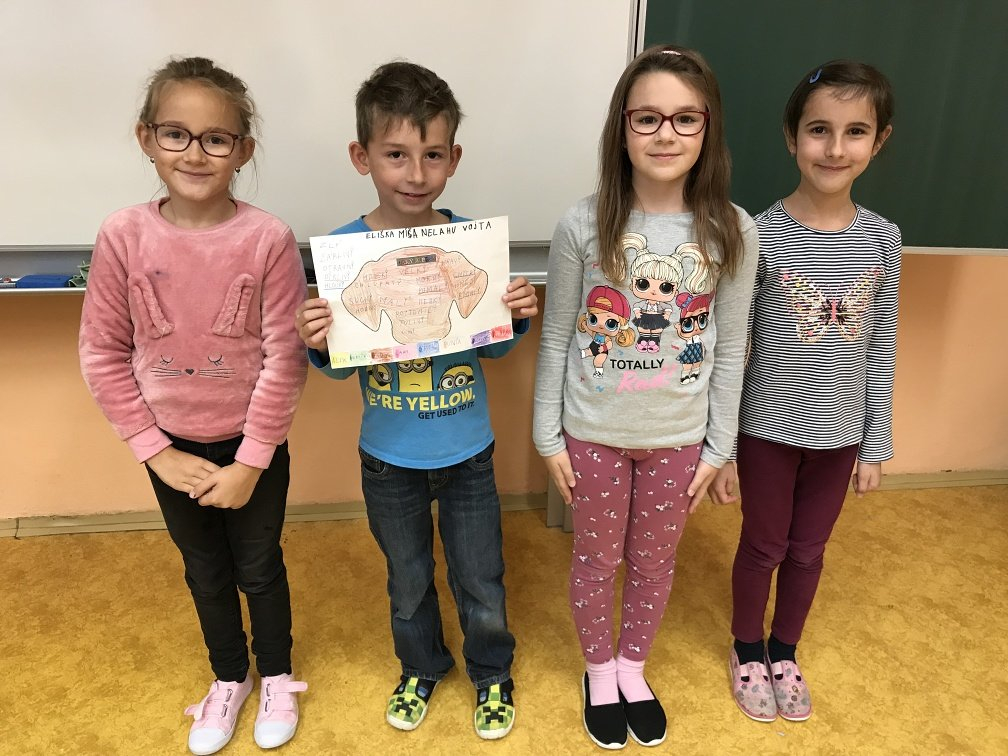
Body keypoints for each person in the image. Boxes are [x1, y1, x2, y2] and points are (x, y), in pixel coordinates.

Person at [294, 61, 538, 740]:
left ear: (454, 159)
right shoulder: (346, 254)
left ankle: (492, 672)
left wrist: (515, 315)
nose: (415, 172)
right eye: (396, 154)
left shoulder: (469, 248)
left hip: (469, 451)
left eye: (433, 155)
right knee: (407, 578)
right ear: (362, 156)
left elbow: (492, 351)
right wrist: (318, 339)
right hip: (387, 457)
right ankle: (421, 666)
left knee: (481, 576)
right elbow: (337, 369)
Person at [78, 57, 308, 755]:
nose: (195, 154)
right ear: (147, 138)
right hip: (171, 448)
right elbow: (102, 353)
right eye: (176, 134)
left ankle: (276, 675)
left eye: (216, 139)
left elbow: (284, 357)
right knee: (205, 570)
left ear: (243, 150)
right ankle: (229, 678)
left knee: (259, 566)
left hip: (251, 447)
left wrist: (251, 462)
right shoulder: (123, 234)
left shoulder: (267, 238)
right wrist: (156, 452)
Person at [533, 45, 758, 749]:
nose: (666, 134)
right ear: (623, 127)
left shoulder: (733, 229)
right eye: (648, 118)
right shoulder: (582, 223)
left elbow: (730, 348)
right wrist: (546, 436)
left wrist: (720, 448)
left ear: (708, 128)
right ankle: (599, 672)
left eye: (686, 118)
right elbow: (557, 337)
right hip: (592, 435)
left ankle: (633, 669)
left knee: (656, 564)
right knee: (597, 562)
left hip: (680, 441)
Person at [711, 60, 900, 724]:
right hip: (767, 431)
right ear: (792, 137)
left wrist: (875, 443)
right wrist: (723, 449)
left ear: (878, 141)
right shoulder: (757, 233)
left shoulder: (883, 240)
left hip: (842, 436)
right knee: (763, 546)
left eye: (855, 132)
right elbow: (735, 348)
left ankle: (785, 650)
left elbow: (880, 346)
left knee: (808, 551)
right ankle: (747, 648)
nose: (835, 148)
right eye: (819, 130)